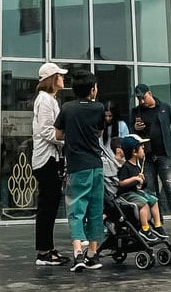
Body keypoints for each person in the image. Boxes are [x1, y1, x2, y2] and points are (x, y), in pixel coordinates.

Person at [55, 69, 107, 272]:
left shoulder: (67, 108)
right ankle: (93, 255)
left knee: (76, 210)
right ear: (92, 89)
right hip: (96, 165)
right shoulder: (99, 108)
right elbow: (100, 132)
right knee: (96, 209)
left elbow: (58, 135)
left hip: (77, 166)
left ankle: (78, 254)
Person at [130, 83, 171, 237]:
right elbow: (131, 135)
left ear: (149, 93)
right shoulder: (136, 112)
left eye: (143, 97)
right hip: (147, 156)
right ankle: (158, 224)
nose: (141, 101)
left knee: (170, 188)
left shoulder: (164, 107)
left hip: (164, 154)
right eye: (138, 99)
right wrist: (135, 129)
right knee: (151, 190)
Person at [32, 62, 70, 267]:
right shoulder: (45, 100)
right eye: (60, 76)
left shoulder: (49, 100)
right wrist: (66, 140)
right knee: (47, 206)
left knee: (50, 205)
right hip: (46, 159)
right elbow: (46, 131)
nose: (63, 79)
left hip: (49, 158)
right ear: (52, 79)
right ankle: (44, 252)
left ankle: (48, 248)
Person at [115, 135, 163, 241]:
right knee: (143, 203)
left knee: (154, 200)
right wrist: (135, 179)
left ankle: (158, 225)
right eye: (141, 147)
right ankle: (145, 228)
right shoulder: (126, 166)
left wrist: (141, 182)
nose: (144, 148)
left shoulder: (137, 166)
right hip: (126, 194)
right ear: (134, 152)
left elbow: (139, 184)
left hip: (135, 191)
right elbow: (122, 182)